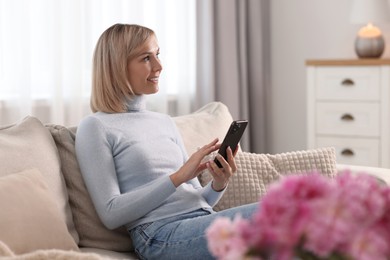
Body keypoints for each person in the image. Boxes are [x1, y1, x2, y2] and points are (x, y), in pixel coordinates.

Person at [75, 23, 257, 260]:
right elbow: (111, 213)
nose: (159, 66)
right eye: (146, 58)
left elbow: (198, 199)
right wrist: (177, 177)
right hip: (158, 234)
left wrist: (218, 185)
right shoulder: (95, 127)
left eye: (157, 54)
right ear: (117, 66)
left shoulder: (164, 122)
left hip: (200, 219)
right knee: (278, 212)